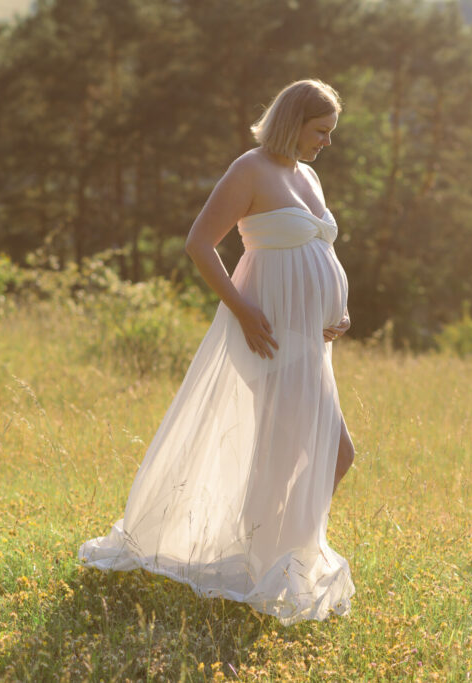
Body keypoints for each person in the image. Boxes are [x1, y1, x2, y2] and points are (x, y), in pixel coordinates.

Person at [78, 79, 356, 626]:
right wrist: (243, 310)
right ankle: (269, 564)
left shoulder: (309, 174)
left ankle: (270, 557)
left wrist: (335, 313)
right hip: (268, 334)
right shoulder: (250, 169)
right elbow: (199, 242)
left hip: (307, 341)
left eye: (330, 133)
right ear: (294, 120)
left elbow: (312, 250)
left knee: (314, 455)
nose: (327, 142)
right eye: (321, 131)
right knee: (321, 454)